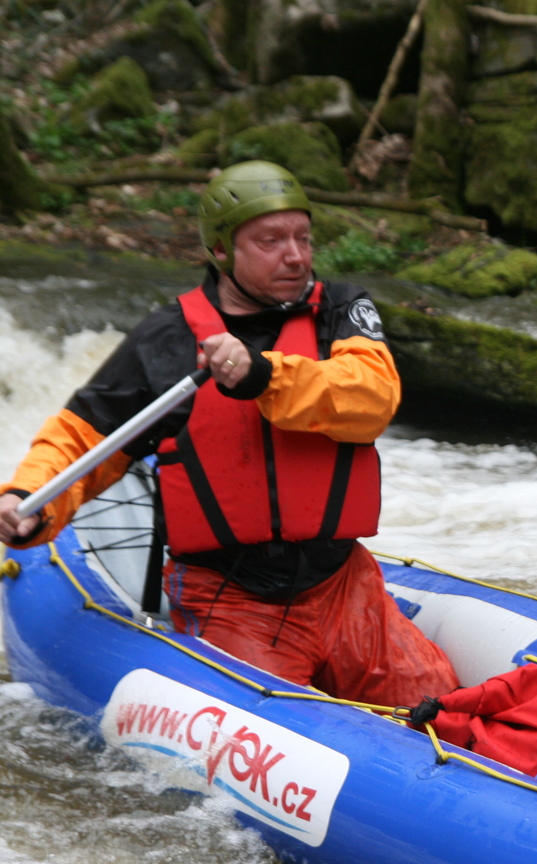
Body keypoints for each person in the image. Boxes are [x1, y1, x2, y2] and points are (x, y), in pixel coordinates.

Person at [0, 160, 457, 707]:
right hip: (232, 598)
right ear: (221, 250)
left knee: (441, 706)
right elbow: (83, 438)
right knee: (284, 719)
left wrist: (263, 374)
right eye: (271, 241)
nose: (296, 255)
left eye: (303, 237)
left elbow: (373, 398)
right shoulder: (166, 339)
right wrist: (30, 500)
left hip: (342, 582)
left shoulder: (340, 309)